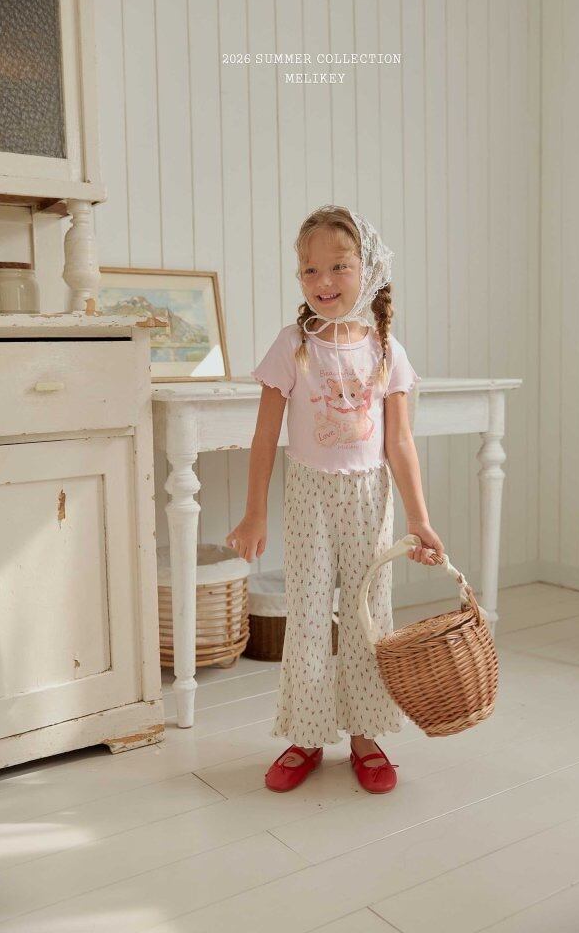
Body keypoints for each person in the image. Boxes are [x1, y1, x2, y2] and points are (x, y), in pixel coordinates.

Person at [225, 204, 444, 794]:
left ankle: (366, 736)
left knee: (370, 615)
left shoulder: (387, 350)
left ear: (367, 269)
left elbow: (400, 442)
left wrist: (420, 519)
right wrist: (254, 512)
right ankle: (307, 734)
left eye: (339, 267)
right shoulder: (292, 345)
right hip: (310, 497)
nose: (323, 281)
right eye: (310, 270)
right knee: (308, 614)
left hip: (370, 496)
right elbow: (264, 436)